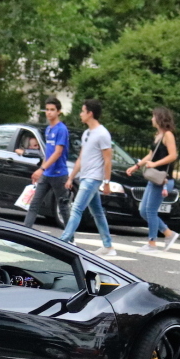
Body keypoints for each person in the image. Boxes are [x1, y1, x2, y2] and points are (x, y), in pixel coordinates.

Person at [58, 98, 116, 256]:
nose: (80, 114)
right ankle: (108, 246)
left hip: (93, 178)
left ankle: (63, 242)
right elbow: (81, 158)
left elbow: (107, 160)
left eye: (83, 111)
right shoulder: (87, 133)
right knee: (97, 212)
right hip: (85, 176)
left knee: (76, 209)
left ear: (90, 113)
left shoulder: (102, 134)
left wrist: (106, 182)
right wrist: (71, 177)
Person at [127, 106, 180, 252]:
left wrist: (155, 164)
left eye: (153, 116)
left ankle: (152, 243)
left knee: (150, 211)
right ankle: (168, 233)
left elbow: (173, 155)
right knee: (144, 211)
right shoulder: (158, 135)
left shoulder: (168, 135)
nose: (151, 119)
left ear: (159, 118)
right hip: (154, 179)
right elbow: (151, 155)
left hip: (163, 179)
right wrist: (137, 166)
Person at [22, 97, 71, 228]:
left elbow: (58, 152)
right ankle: (24, 234)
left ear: (59, 112)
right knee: (34, 204)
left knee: (63, 207)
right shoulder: (49, 129)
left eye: (52, 110)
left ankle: (70, 239)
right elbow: (48, 153)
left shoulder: (61, 129)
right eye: (47, 110)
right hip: (46, 174)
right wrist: (41, 169)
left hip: (59, 174)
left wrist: (41, 169)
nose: (49, 113)